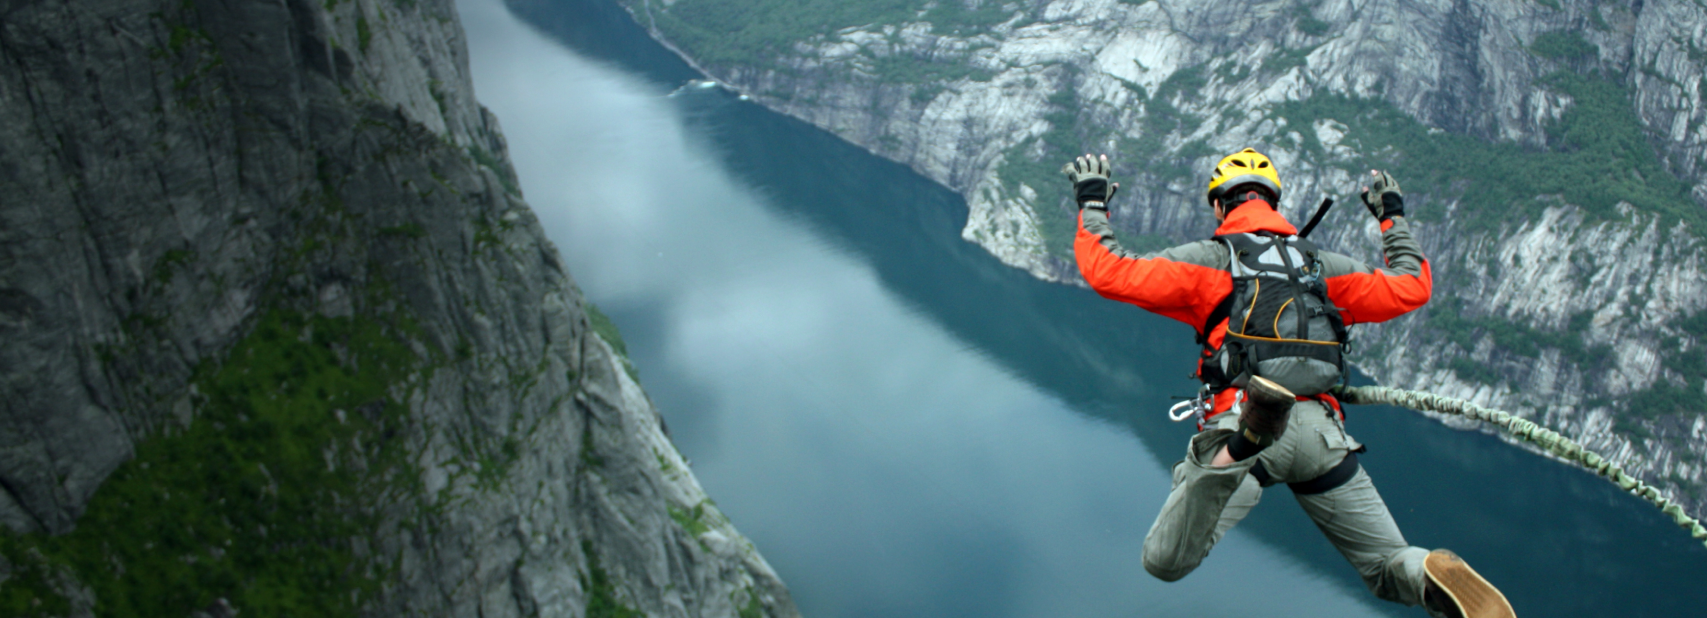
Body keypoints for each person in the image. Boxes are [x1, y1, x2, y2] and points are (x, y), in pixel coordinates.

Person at [1062, 149, 1515, 618]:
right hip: (1322, 437)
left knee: (1165, 559)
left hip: (1247, 424)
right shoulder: (1323, 267)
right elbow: (1411, 286)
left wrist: (1093, 204)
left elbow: (1111, 272)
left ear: (1219, 206)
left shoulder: (1211, 261)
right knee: (1385, 564)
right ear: (1275, 203)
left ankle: (1244, 443)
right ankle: (1428, 575)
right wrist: (1392, 218)